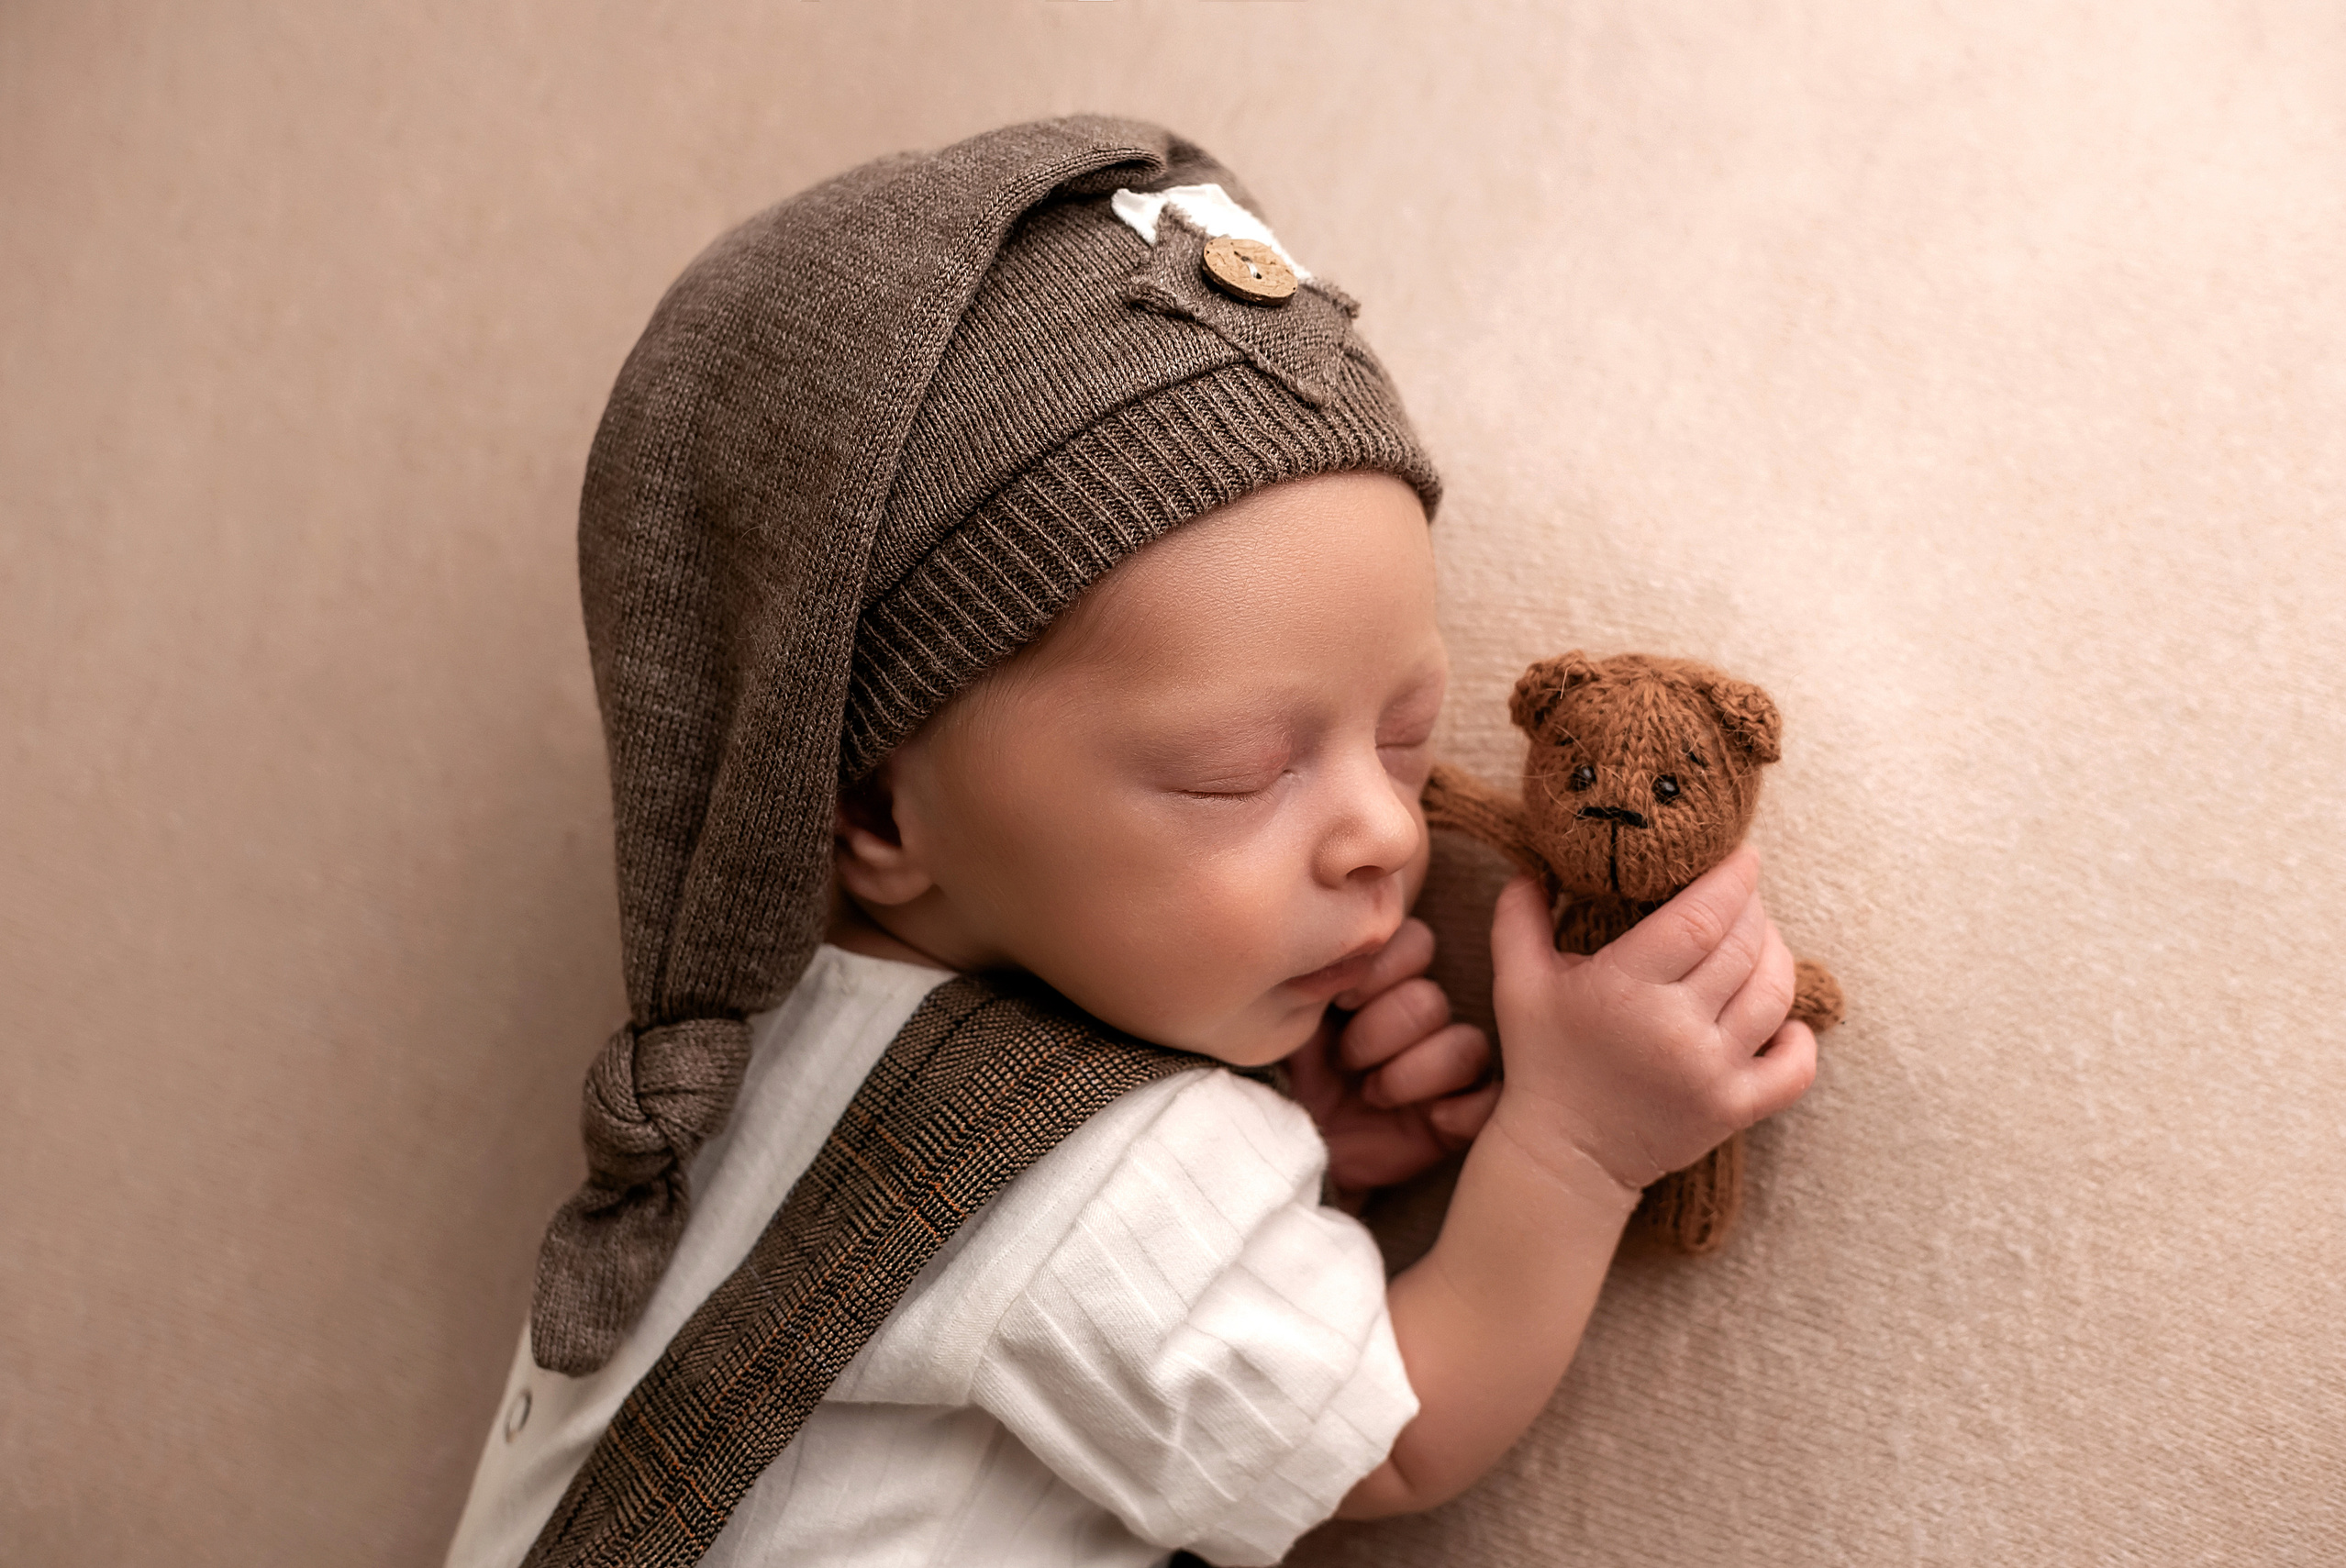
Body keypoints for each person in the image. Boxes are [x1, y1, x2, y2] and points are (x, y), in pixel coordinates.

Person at [442, 116, 1814, 1568]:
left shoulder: (747, 1053)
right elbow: (1394, 1437)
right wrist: (1580, 1142)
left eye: (1408, 736)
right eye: (1239, 773)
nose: (1379, 828)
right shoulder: (1119, 1167)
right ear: (872, 811)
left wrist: (1293, 1153)